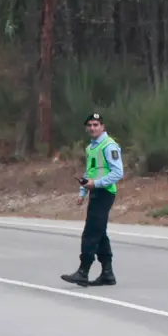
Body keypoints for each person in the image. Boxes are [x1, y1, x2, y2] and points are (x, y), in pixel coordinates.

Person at [62, 113, 123, 287]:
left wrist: (96, 184)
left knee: (90, 233)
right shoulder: (91, 147)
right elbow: (90, 171)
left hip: (105, 192)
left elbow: (118, 173)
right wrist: (82, 192)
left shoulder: (109, 146)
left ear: (102, 127)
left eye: (96, 124)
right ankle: (107, 273)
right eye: (89, 125)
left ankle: (83, 271)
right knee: (100, 233)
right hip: (95, 192)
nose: (92, 128)